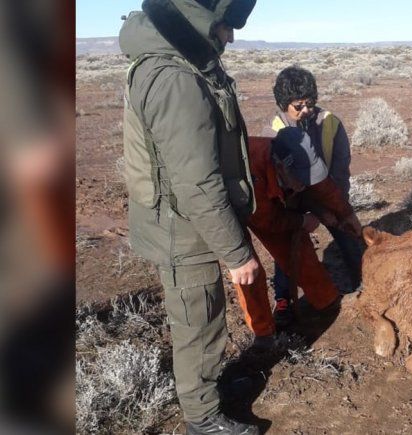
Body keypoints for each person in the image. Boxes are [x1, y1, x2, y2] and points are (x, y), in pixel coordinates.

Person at [119, 1, 261, 434]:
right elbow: (197, 182)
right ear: (201, 22)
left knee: (205, 314)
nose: (230, 37)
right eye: (224, 26)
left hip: (189, 220)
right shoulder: (176, 80)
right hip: (183, 227)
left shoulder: (184, 63)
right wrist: (237, 254)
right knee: (198, 321)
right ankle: (202, 418)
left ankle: (209, 386)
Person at [233, 127, 362, 344]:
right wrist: (303, 220)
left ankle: (326, 301)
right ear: (281, 166)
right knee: (247, 269)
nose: (305, 183)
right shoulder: (252, 168)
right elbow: (267, 220)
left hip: (269, 196)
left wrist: (347, 215)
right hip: (233, 205)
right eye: (300, 178)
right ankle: (263, 333)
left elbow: (325, 189)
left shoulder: (299, 156)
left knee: (299, 248)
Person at [261, 66, 363, 327]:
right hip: (293, 200)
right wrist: (303, 215)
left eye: (310, 103)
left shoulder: (330, 122)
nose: (306, 110)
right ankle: (283, 299)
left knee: (350, 236)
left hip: (330, 193)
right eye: (298, 105)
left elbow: (341, 168)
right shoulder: (273, 132)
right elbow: (276, 183)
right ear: (284, 104)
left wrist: (335, 209)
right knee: (287, 248)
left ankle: (365, 284)